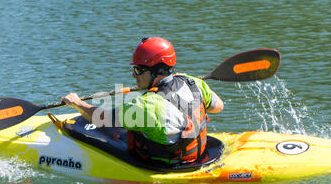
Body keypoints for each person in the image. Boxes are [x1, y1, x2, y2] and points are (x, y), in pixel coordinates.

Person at [62, 37, 223, 165]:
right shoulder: (193, 83)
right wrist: (187, 78)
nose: (133, 75)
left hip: (163, 164)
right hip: (197, 156)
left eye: (138, 70)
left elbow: (100, 118)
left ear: (157, 72)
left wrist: (77, 103)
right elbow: (218, 107)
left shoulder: (146, 106)